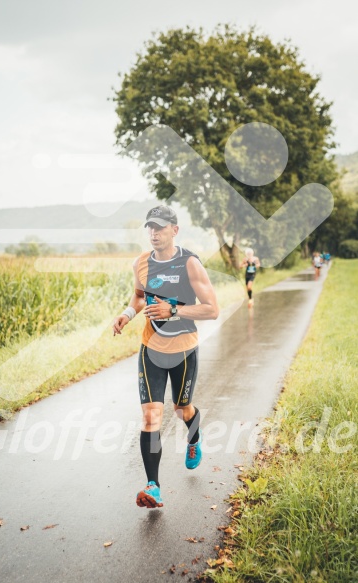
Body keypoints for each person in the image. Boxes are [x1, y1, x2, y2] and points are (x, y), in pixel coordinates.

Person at [112, 205, 219, 509]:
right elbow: (139, 294)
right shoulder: (141, 263)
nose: (154, 233)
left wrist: (174, 310)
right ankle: (153, 486)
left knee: (182, 408)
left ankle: (194, 438)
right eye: (150, 227)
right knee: (150, 416)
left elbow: (212, 309)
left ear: (175, 230)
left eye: (160, 227)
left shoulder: (190, 264)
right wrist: (127, 313)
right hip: (152, 350)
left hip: (184, 349)